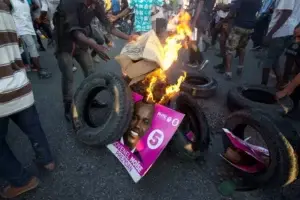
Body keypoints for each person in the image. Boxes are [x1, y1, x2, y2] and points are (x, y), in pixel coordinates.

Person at [0, 0, 55, 198]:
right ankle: (47, 159)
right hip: (19, 83)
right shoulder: (6, 8)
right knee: (32, 126)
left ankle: (21, 180)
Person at [53, 0, 138, 121]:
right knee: (68, 76)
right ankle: (68, 108)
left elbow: (109, 27)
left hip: (81, 43)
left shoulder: (97, 4)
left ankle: (91, 99)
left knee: (90, 73)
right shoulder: (69, 3)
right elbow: (75, 32)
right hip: (64, 43)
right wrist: (96, 47)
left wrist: (129, 38)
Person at [214, 0, 262, 80]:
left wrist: (221, 22)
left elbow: (232, 13)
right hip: (250, 27)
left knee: (229, 50)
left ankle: (228, 73)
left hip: (239, 26)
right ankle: (240, 66)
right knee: (242, 48)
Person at [261, 0, 300, 87]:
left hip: (280, 32)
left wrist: (270, 34)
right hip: (289, 30)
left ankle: (263, 86)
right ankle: (280, 81)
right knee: (275, 58)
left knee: (268, 59)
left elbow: (287, 12)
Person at [10, 0, 52, 79]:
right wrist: (16, 32)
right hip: (21, 29)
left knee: (33, 47)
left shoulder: (25, 1)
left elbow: (30, 10)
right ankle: (40, 71)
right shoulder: (11, 2)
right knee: (32, 49)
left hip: (30, 27)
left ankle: (33, 66)